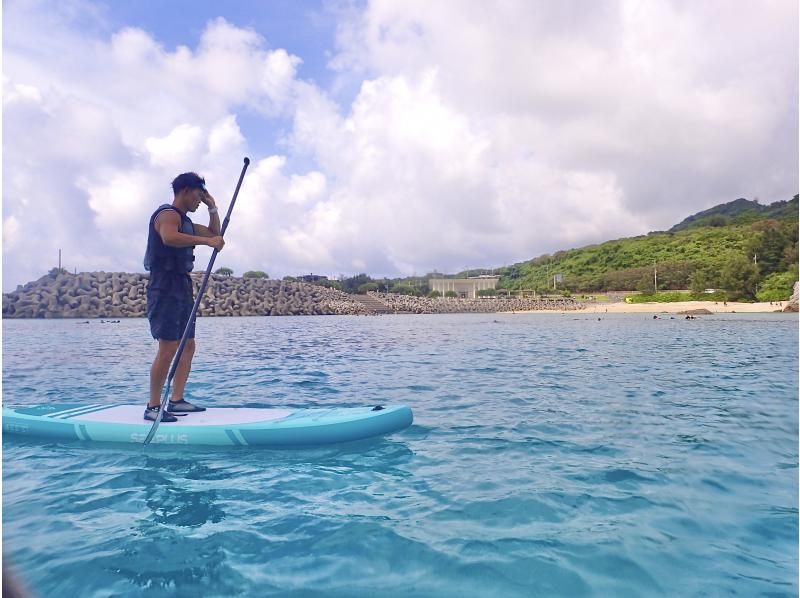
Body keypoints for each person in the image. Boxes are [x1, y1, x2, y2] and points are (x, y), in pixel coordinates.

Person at [143, 172, 225, 422]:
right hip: (164, 286)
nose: (200, 200)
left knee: (188, 344)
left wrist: (213, 208)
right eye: (200, 195)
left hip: (182, 285)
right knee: (167, 347)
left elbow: (215, 235)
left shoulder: (188, 222)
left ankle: (177, 400)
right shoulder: (167, 214)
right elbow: (170, 237)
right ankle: (153, 406)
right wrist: (205, 242)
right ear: (186, 190)